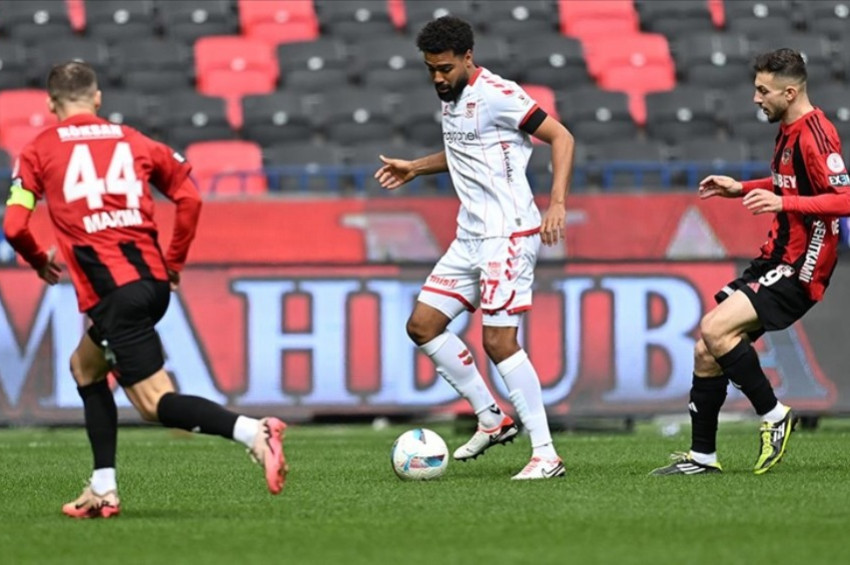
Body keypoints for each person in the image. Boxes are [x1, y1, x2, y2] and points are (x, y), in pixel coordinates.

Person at [2, 62, 288, 517]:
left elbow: (15, 226)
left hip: (115, 293)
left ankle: (254, 432)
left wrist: (39, 260)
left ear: (51, 104)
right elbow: (190, 197)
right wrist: (174, 262)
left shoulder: (38, 150)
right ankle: (103, 487)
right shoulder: (133, 140)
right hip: (152, 283)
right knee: (85, 368)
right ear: (98, 99)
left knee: (155, 404)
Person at [374, 16, 576, 479]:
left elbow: (561, 136)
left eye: (445, 68)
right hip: (470, 236)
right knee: (423, 326)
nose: (438, 78)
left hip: (508, 234)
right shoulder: (453, 97)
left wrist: (557, 203)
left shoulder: (498, 94)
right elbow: (464, 150)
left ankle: (546, 454)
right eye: (431, 69)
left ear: (468, 58)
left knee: (498, 341)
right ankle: (491, 417)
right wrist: (415, 167)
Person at [651, 48, 850, 476]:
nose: (756, 99)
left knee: (714, 329)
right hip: (776, 257)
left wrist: (784, 202)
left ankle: (774, 415)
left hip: (802, 265)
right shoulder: (789, 129)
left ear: (789, 92)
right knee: (707, 350)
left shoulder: (816, 134)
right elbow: (788, 182)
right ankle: (703, 457)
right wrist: (740, 188)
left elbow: (845, 199)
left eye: (763, 91)